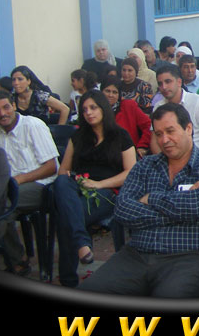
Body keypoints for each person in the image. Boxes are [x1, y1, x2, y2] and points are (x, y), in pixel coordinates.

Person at [78, 103, 199, 296]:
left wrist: (151, 198)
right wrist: (180, 210)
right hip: (137, 255)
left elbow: (197, 206)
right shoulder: (145, 166)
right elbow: (122, 209)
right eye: (159, 134)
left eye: (170, 131)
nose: (164, 140)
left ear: (188, 128)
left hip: (189, 256)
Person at [53, 90, 137, 287]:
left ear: (103, 108)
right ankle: (82, 242)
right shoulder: (78, 136)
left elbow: (131, 173)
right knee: (61, 182)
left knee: (66, 216)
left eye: (93, 108)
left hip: (107, 191)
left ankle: (68, 281)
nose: (88, 113)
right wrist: (75, 180)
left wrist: (99, 184)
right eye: (84, 110)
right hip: (77, 187)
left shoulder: (120, 135)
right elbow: (63, 170)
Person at [0, 90, 59, 275]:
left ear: (14, 106)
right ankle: (17, 258)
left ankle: (17, 261)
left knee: (3, 206)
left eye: (6, 107)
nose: (2, 114)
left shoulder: (33, 125)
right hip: (8, 186)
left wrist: (19, 180)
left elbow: (51, 167)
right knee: (1, 203)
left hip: (40, 184)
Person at [153, 64, 199, 156]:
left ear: (179, 82)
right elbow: (154, 141)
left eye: (168, 82)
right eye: (160, 84)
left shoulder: (197, 101)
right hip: (170, 160)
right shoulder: (158, 107)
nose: (164, 87)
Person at [100, 76, 151, 155]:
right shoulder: (95, 110)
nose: (111, 95)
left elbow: (148, 125)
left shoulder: (128, 106)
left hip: (129, 153)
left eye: (115, 92)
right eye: (107, 91)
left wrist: (142, 146)